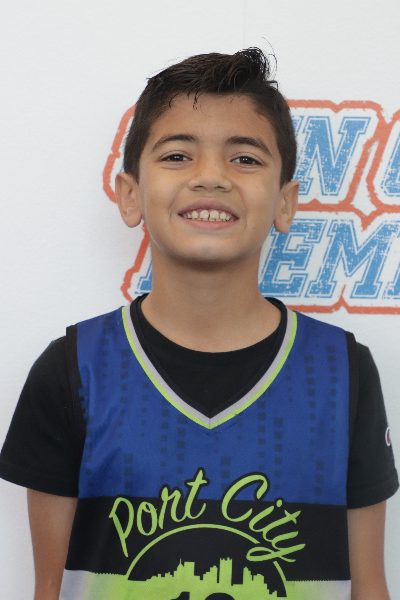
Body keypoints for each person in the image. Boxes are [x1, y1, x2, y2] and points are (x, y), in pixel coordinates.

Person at [0, 48, 398, 600]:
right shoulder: (74, 370)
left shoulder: (341, 372)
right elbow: (49, 589)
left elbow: (369, 586)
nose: (211, 177)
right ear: (130, 195)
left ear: (285, 204)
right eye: (178, 155)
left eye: (245, 159)